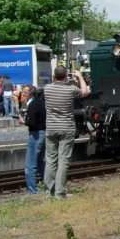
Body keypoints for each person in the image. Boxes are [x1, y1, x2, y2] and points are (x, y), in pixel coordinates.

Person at [43, 66, 88, 199]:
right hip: (66, 127)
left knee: (50, 160)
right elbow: (85, 92)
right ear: (66, 77)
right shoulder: (70, 89)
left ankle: (48, 192)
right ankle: (60, 192)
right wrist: (79, 77)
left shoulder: (47, 89)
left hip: (51, 127)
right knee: (63, 160)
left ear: (54, 77)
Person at [20, 85, 46, 194]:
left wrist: (23, 121)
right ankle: (48, 185)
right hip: (43, 133)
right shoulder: (41, 102)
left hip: (35, 134)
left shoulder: (33, 104)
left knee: (30, 165)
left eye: (25, 92)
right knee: (40, 162)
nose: (23, 94)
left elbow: (32, 123)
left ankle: (33, 190)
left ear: (31, 93)